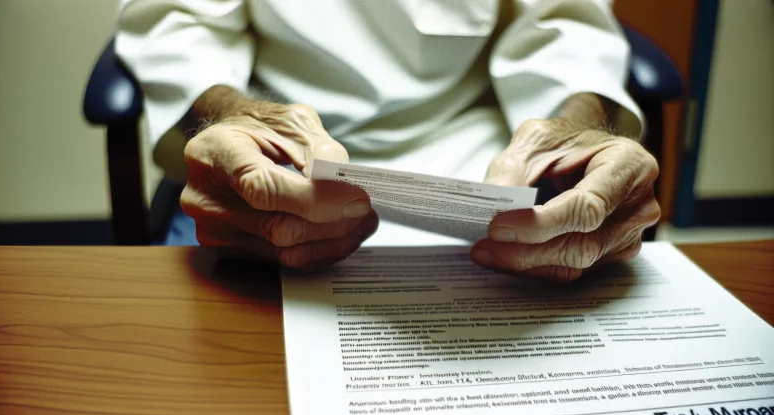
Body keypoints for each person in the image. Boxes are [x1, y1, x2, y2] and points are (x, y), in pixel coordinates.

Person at [114, 0, 660, 281]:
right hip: (274, 160)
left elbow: (565, 26)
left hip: (483, 165)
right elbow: (181, 24)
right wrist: (235, 116)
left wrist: (574, 131)